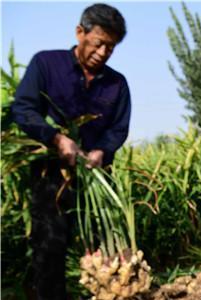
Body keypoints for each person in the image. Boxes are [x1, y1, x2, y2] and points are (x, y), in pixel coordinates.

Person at [11, 3, 131, 299]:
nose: (103, 53)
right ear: (80, 33)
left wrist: (102, 151)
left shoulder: (117, 84)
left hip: (97, 178)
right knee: (50, 247)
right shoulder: (46, 64)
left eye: (111, 48)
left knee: (107, 251)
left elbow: (118, 128)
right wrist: (56, 139)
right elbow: (23, 109)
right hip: (52, 177)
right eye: (99, 43)